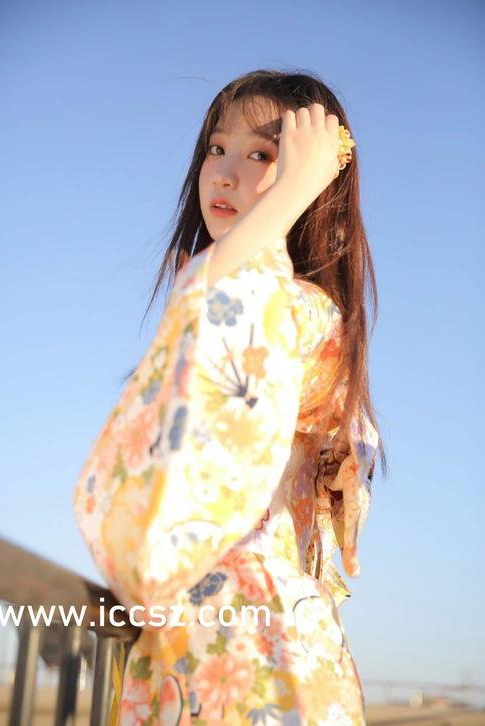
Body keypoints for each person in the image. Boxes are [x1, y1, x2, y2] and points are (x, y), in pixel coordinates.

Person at [73, 69, 387, 725]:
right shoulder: (261, 293)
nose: (222, 173)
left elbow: (216, 299)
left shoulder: (293, 307)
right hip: (215, 623)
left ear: (314, 181)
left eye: (263, 155)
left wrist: (290, 194)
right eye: (217, 148)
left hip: (250, 631)